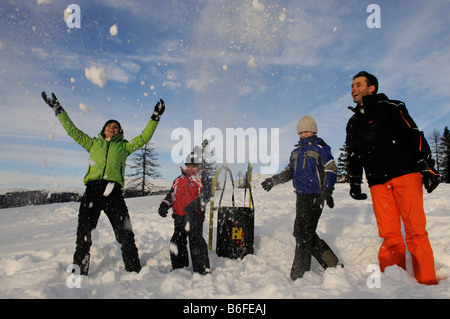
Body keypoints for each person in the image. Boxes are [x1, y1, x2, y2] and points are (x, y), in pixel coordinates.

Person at [42, 91, 165, 275]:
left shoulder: (124, 147)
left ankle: (134, 270)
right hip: (92, 191)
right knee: (83, 233)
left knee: (125, 233)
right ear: (103, 130)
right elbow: (72, 130)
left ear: (120, 132)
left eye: (116, 127)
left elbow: (144, 137)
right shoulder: (92, 143)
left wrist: (155, 117)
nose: (112, 128)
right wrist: (59, 110)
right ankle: (79, 271)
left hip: (113, 192)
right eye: (109, 126)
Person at [346, 71, 440, 285]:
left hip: (405, 174)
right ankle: (394, 283)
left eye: (358, 84)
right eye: (352, 85)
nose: (353, 88)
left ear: (372, 88)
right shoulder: (353, 123)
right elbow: (354, 154)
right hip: (378, 182)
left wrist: (426, 166)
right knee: (389, 234)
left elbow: (413, 134)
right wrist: (354, 182)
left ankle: (427, 281)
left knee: (415, 230)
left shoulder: (392, 107)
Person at [261, 116, 341, 280]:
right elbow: (288, 172)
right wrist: (273, 180)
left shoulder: (321, 147)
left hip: (316, 196)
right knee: (304, 233)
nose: (304, 134)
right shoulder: (295, 153)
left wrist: (328, 189)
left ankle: (299, 274)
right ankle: (332, 264)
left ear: (314, 130)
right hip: (301, 197)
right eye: (301, 132)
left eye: (307, 131)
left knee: (303, 234)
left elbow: (331, 168)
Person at [158, 149, 212, 275]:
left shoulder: (202, 178)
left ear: (199, 166)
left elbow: (207, 194)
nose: (190, 168)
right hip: (179, 216)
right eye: (188, 165)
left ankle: (201, 269)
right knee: (177, 241)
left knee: (196, 241)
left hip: (195, 216)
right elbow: (172, 195)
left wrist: (197, 204)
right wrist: (164, 205)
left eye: (193, 166)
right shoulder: (178, 179)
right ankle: (179, 267)